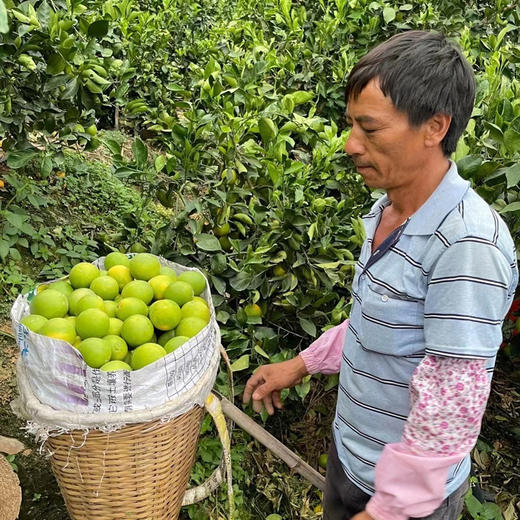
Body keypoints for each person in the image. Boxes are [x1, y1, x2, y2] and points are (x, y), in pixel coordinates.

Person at [243, 31, 519, 520]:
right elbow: (379, 320)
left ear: (434, 126)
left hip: (405, 503)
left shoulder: (467, 245)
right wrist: (303, 363)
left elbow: (454, 399)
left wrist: (388, 510)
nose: (350, 145)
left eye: (370, 129)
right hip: (353, 462)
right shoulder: (387, 212)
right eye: (351, 125)